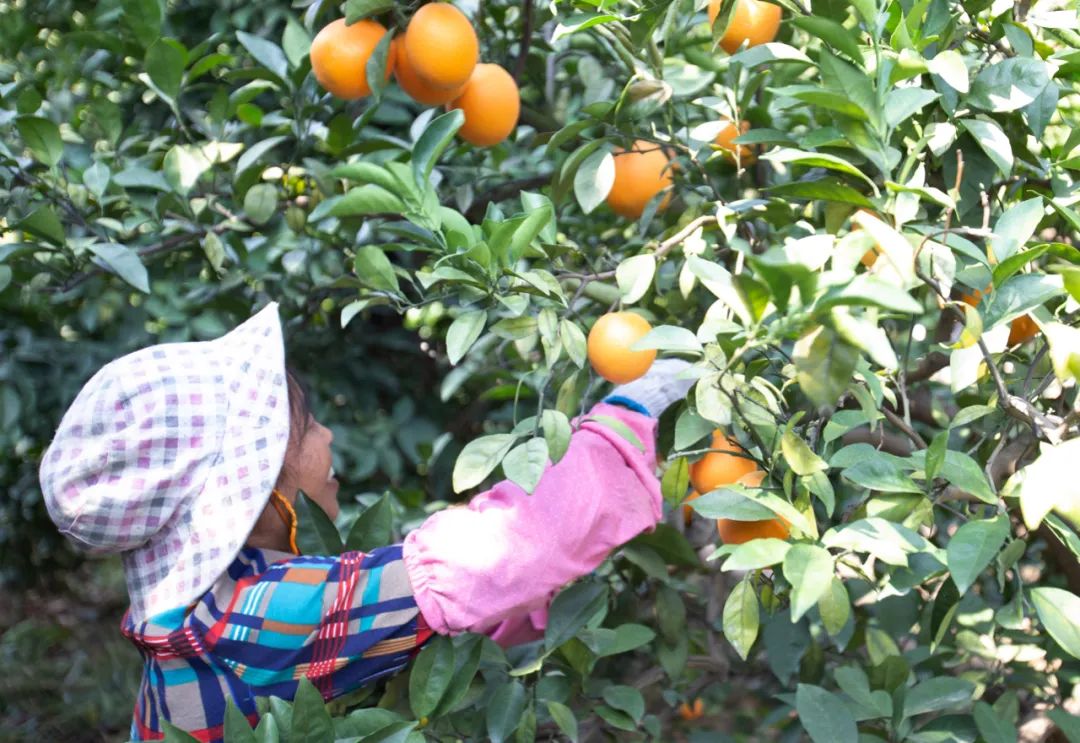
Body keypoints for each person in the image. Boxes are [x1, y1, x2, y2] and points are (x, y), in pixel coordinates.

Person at [39, 302, 695, 742]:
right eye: (306, 429)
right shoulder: (248, 622)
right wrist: (625, 419)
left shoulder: (201, 612)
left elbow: (405, 614)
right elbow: (502, 554)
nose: (327, 437)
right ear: (255, 492)